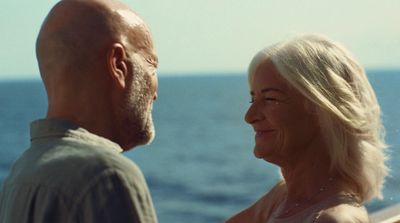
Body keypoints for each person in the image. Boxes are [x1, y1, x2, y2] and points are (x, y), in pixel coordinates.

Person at [0, 0, 159, 222]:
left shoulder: (20, 177)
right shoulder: (108, 176)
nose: (155, 92)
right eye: (152, 65)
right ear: (118, 65)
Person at [226, 34, 388, 223]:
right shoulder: (283, 198)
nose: (249, 116)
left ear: (321, 109)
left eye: (270, 99)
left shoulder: (333, 219)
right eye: (253, 99)